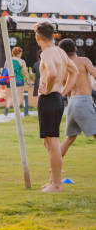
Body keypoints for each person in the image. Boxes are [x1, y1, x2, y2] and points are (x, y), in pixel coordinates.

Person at [34, 22, 77, 193]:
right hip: (56, 98)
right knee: (49, 143)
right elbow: (74, 71)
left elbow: (51, 73)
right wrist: (63, 91)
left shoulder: (47, 53)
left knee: (52, 143)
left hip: (49, 99)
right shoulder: (60, 51)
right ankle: (53, 181)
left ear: (38, 37)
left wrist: (47, 87)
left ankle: (57, 185)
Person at [57, 39, 96, 158]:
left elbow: (66, 87)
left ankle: (54, 165)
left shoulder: (63, 67)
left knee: (70, 138)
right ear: (75, 48)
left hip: (72, 103)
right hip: (84, 101)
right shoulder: (83, 61)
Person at [4, 47, 32, 116]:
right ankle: (17, 111)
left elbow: (5, 70)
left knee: (10, 95)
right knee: (18, 96)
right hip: (19, 79)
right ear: (19, 53)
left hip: (10, 80)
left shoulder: (8, 60)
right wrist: (29, 81)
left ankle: (7, 107)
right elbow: (26, 72)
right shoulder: (22, 61)